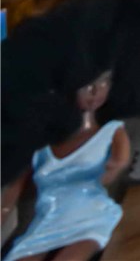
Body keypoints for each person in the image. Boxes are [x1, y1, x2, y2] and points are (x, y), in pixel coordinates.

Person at [1, 71, 129, 261]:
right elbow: (11, 195)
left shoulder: (111, 131)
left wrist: (116, 164)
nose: (96, 92)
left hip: (90, 216)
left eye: (104, 83)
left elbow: (120, 161)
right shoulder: (39, 145)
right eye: (86, 86)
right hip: (48, 221)